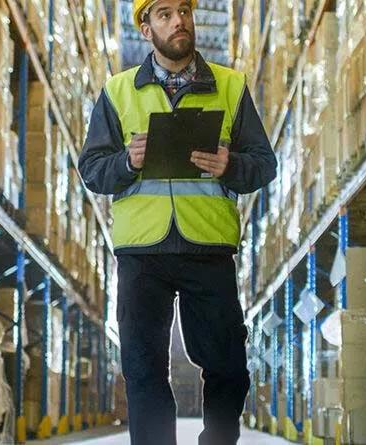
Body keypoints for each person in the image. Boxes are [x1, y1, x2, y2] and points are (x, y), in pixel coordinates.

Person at [77, 0, 277, 442]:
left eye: (184, 10)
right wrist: (127, 162)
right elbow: (91, 169)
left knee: (227, 363)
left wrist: (230, 165)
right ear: (146, 30)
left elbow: (264, 165)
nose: (178, 20)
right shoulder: (118, 91)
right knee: (143, 367)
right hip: (142, 252)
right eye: (164, 14)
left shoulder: (230, 86)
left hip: (207, 245)